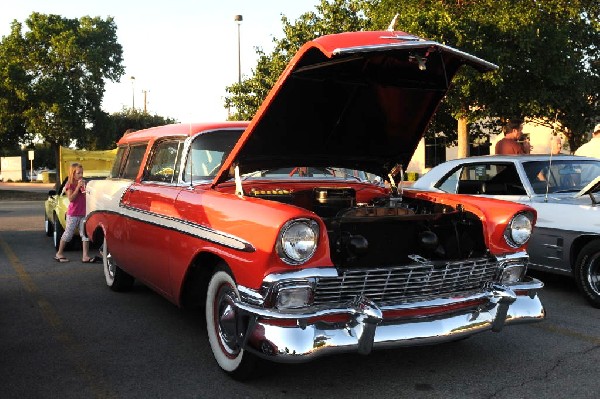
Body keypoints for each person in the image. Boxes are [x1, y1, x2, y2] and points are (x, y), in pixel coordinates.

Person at [54, 162, 98, 263]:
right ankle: (59, 253)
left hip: (84, 213)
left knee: (85, 235)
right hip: (73, 214)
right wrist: (78, 187)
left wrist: (85, 190)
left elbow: (87, 197)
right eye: (78, 173)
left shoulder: (84, 183)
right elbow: (71, 199)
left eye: (82, 173)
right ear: (73, 173)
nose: (81, 175)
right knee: (68, 234)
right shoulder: (69, 185)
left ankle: (85, 256)